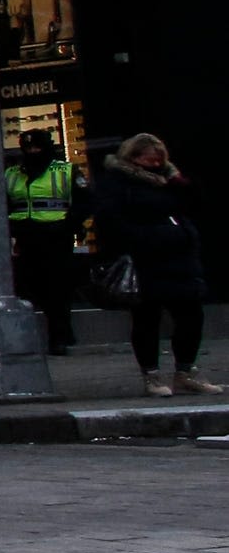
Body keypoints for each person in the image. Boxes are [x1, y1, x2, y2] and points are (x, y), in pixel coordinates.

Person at [90, 132, 213, 396]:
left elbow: (195, 203)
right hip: (147, 259)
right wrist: (148, 238)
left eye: (160, 160)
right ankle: (152, 375)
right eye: (151, 160)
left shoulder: (169, 180)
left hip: (179, 258)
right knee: (147, 318)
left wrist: (179, 182)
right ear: (134, 158)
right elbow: (111, 220)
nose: (157, 164)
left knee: (191, 315)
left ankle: (185, 370)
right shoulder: (119, 183)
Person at [6, 128, 80, 354]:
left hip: (56, 238)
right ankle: (25, 339)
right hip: (24, 239)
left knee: (56, 291)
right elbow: (2, 204)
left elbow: (85, 202)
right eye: (28, 148)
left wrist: (68, 226)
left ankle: (59, 338)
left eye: (37, 147)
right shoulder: (11, 173)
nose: (33, 151)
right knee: (26, 290)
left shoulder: (65, 170)